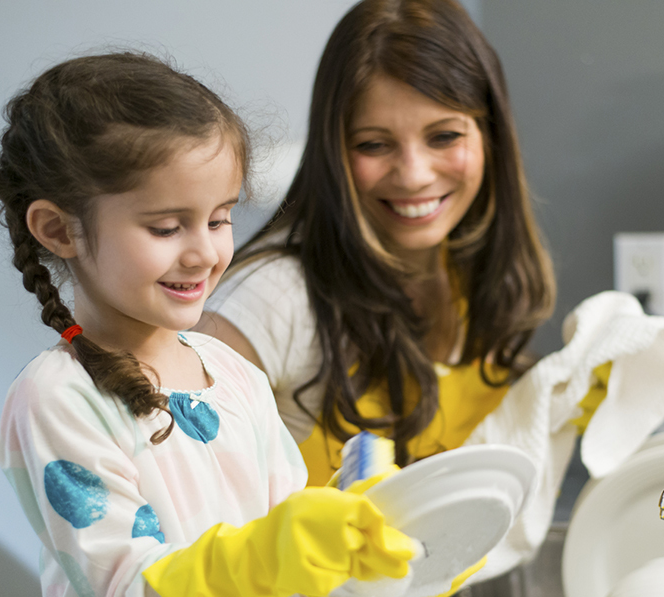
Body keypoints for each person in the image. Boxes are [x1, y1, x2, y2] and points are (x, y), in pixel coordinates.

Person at [0, 52, 419, 597]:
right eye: (166, 226)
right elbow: (132, 593)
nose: (205, 252)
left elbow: (287, 527)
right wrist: (268, 553)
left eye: (219, 219)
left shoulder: (232, 376)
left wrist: (353, 511)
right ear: (59, 230)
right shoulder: (56, 399)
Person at [201, 0, 556, 489]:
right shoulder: (273, 297)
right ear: (334, 149)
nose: (413, 175)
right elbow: (181, 495)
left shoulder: (474, 269)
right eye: (373, 144)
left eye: (444, 136)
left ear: (491, 134)